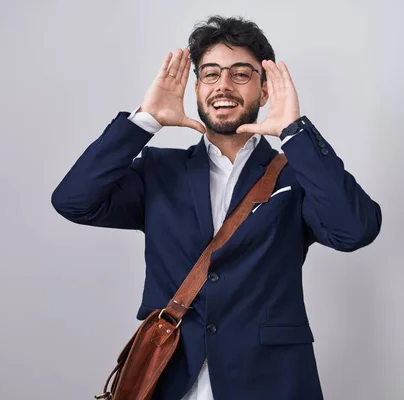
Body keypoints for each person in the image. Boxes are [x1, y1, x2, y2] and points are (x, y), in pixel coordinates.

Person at [51, 15, 382, 400]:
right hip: (170, 378)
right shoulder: (159, 171)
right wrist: (144, 121)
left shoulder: (297, 176)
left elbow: (356, 229)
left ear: (263, 91)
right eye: (210, 74)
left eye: (241, 74)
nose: (223, 84)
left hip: (271, 382)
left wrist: (295, 132)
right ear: (196, 88)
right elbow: (73, 201)